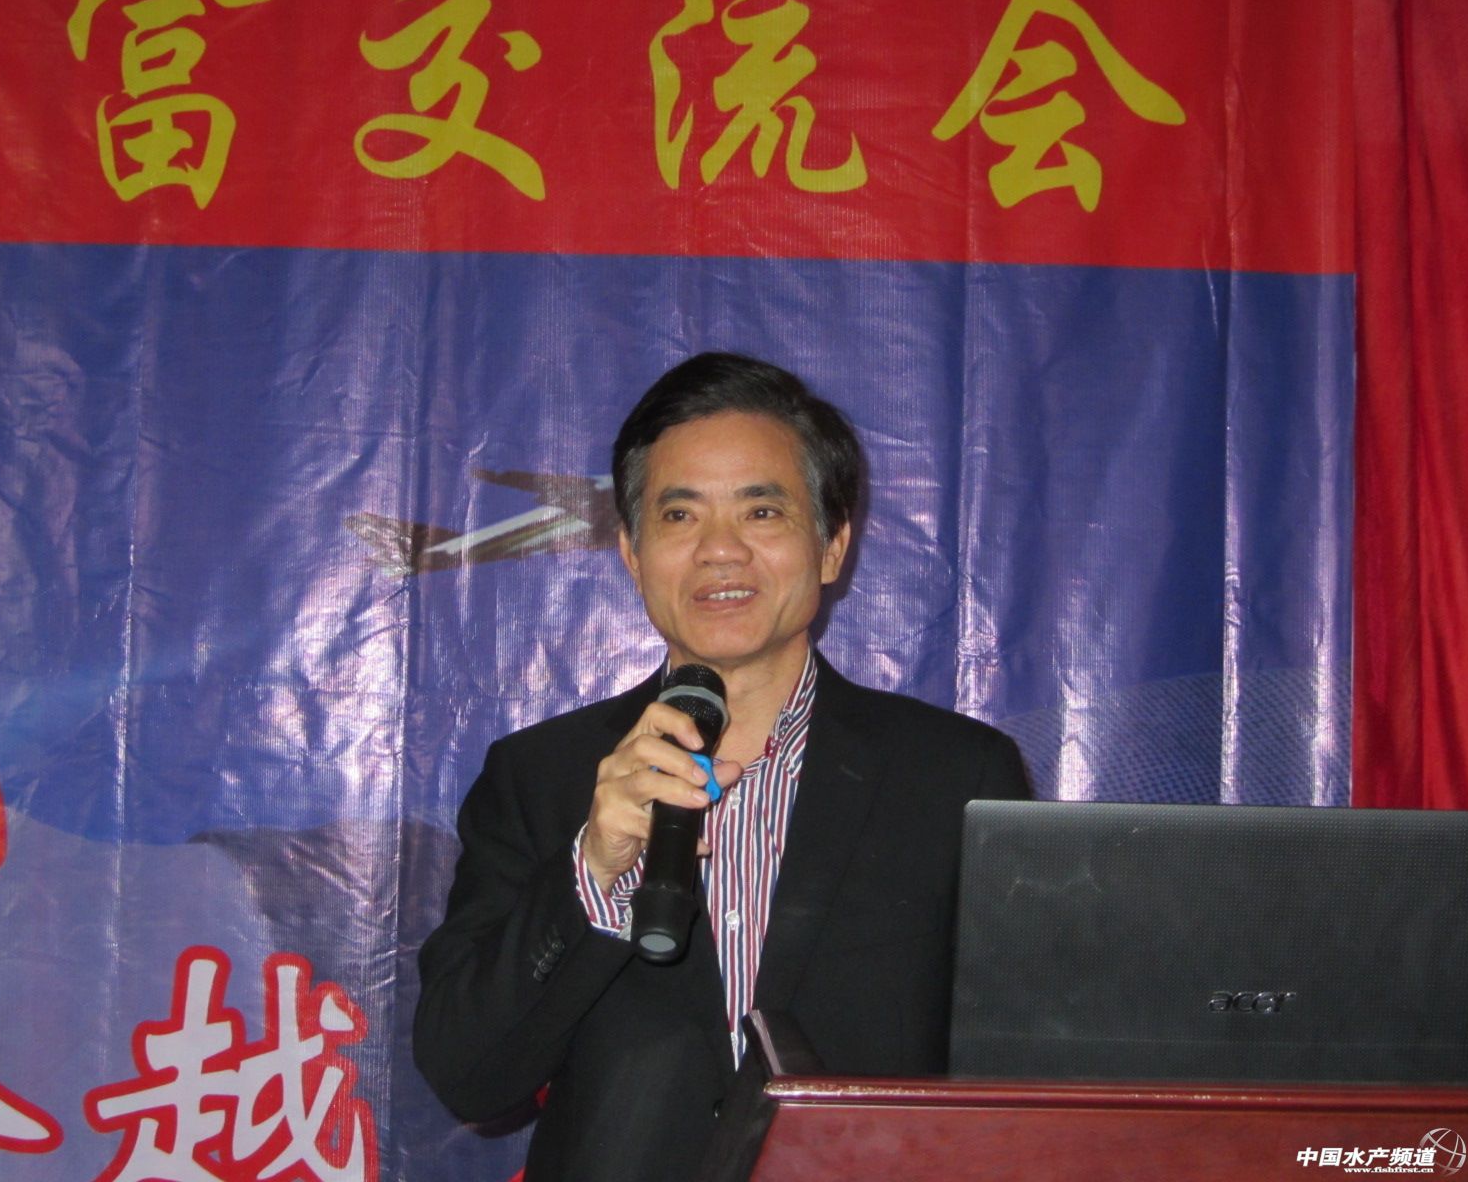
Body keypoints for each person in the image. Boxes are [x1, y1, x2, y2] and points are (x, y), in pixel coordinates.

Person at [413, 352, 1029, 1181]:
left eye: (762, 511)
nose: (720, 551)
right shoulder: (541, 775)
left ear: (832, 545)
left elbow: (1023, 1076)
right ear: (632, 553)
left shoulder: (956, 775)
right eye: (679, 516)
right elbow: (469, 1076)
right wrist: (594, 871)